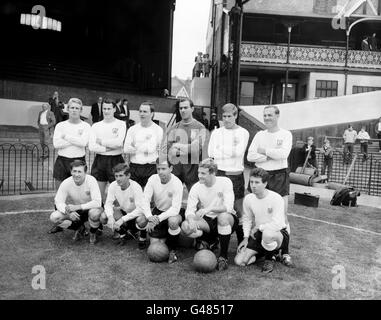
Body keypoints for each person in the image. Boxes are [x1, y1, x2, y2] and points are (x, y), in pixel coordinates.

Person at [247, 105, 292, 266]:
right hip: (260, 174)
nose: (267, 118)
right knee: (259, 213)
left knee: (282, 215)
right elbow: (251, 156)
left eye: (270, 115)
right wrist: (270, 154)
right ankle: (268, 251)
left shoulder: (286, 134)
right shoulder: (259, 134)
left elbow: (283, 155)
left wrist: (263, 151)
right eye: (265, 115)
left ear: (277, 116)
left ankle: (285, 252)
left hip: (279, 175)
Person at [181, 158, 238, 271]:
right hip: (208, 221)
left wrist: (208, 209)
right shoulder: (196, 187)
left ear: (213, 173)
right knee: (185, 227)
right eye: (198, 172)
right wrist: (191, 221)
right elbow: (190, 210)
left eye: (203, 173)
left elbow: (228, 207)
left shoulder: (225, 182)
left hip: (227, 218)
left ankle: (223, 257)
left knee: (222, 218)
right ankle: (207, 240)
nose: (199, 176)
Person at [208, 103, 249, 246]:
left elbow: (238, 152)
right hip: (219, 173)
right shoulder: (216, 133)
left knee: (239, 209)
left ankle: (242, 242)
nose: (226, 119)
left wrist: (221, 148)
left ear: (236, 116)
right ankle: (215, 240)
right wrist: (228, 151)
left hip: (235, 174)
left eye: (229, 116)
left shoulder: (243, 132)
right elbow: (211, 153)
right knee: (218, 206)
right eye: (224, 116)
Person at [234, 168, 289, 274]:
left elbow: (278, 224)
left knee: (267, 234)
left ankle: (269, 259)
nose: (253, 185)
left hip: (278, 234)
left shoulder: (276, 198)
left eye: (257, 182)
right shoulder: (249, 198)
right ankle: (269, 252)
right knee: (239, 261)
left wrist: (259, 227)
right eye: (251, 182)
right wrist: (245, 238)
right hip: (259, 234)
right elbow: (247, 219)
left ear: (265, 183)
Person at [48, 160, 103, 244]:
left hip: (90, 208)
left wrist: (78, 207)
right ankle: (79, 228)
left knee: (94, 213)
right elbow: (58, 201)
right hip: (78, 211)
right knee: (54, 217)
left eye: (79, 171)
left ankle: (93, 233)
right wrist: (68, 212)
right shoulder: (66, 182)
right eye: (74, 171)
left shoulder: (91, 180)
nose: (76, 174)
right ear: (71, 171)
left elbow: (97, 202)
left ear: (85, 172)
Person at [143, 157, 184, 263]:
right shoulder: (153, 179)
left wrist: (157, 219)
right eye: (158, 169)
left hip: (173, 213)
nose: (160, 172)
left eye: (163, 169)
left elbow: (175, 209)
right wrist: (149, 217)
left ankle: (173, 251)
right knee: (155, 246)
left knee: (173, 222)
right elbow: (145, 200)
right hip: (158, 212)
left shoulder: (177, 183)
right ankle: (169, 236)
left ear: (171, 168)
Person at [165, 98, 208, 192]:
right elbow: (169, 150)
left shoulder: (200, 127)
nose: (183, 110)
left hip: (193, 170)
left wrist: (177, 146)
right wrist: (187, 149)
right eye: (181, 108)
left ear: (192, 109)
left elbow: (195, 149)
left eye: (185, 107)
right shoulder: (174, 127)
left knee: (195, 199)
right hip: (176, 168)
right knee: (172, 198)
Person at [100, 163, 148, 248]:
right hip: (124, 212)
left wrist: (122, 219)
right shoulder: (113, 185)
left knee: (142, 219)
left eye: (121, 176)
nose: (118, 179)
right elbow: (108, 204)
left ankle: (142, 238)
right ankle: (123, 234)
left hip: (136, 215)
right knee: (104, 216)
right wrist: (110, 217)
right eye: (116, 176)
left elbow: (140, 209)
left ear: (128, 175)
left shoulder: (136, 187)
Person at [88, 99, 126, 204]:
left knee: (118, 196)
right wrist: (107, 148)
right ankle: (99, 216)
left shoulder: (121, 124)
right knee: (98, 197)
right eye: (104, 108)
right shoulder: (96, 126)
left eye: (109, 108)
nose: (106, 111)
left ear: (114, 109)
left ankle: (116, 217)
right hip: (100, 160)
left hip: (116, 160)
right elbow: (91, 146)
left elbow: (119, 143)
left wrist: (101, 141)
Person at [52, 98, 91, 191]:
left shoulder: (86, 126)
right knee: (60, 194)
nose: (74, 110)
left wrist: (65, 136)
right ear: (68, 109)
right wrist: (76, 140)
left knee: (80, 193)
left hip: (79, 161)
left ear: (81, 110)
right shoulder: (60, 125)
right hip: (62, 161)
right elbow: (56, 144)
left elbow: (83, 143)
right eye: (72, 107)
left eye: (77, 108)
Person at [124, 101, 163, 188]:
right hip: (134, 167)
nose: (142, 114)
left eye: (145, 112)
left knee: (148, 198)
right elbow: (126, 149)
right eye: (140, 111)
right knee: (134, 197)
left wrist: (136, 146)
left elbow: (160, 150)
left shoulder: (158, 130)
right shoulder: (132, 129)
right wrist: (147, 147)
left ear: (152, 114)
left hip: (151, 167)